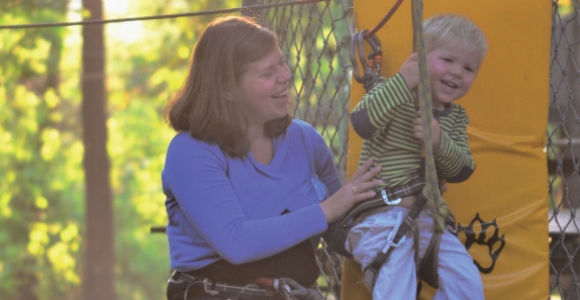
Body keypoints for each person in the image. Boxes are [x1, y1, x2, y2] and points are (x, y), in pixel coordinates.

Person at [161, 16, 383, 300]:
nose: (285, 75)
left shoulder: (305, 140)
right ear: (227, 89)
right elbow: (236, 243)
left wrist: (395, 229)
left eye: (281, 62)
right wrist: (327, 209)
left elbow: (340, 227)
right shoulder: (191, 152)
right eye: (267, 73)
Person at [345, 14, 487, 299]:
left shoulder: (456, 117)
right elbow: (362, 122)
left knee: (468, 285)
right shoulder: (391, 91)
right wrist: (402, 82)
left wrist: (438, 140)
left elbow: (462, 169)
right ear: (419, 58)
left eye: (468, 67)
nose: (458, 72)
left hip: (428, 219)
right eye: (447, 60)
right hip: (380, 218)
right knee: (397, 288)